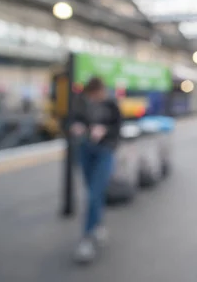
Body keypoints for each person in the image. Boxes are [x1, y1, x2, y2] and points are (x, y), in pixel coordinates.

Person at [70, 77, 122, 263]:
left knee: (94, 193)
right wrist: (77, 127)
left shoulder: (111, 105)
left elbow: (117, 128)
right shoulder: (81, 103)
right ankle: (98, 224)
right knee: (93, 192)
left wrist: (104, 131)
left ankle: (87, 238)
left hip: (104, 151)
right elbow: (73, 120)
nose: (96, 97)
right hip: (85, 150)